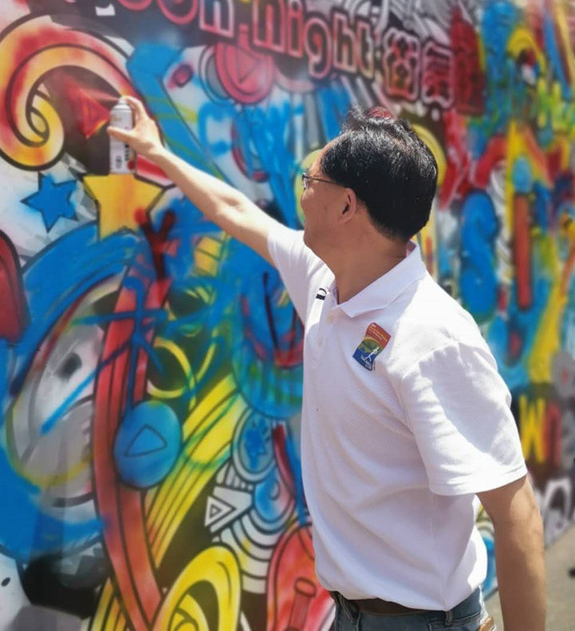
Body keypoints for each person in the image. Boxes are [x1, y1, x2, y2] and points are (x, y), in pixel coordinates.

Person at [109, 97, 546, 631]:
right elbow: (234, 210)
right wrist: (156, 151)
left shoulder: (433, 338)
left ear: (346, 207)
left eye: (310, 180)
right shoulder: (325, 280)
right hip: (349, 615)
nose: (302, 191)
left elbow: (517, 513)